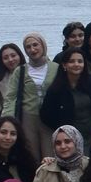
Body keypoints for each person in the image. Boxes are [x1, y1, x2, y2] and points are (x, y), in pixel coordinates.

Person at [39, 47, 91, 152]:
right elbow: (45, 115)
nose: (76, 64)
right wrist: (62, 130)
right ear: (64, 65)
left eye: (80, 61)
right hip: (70, 139)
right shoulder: (56, 89)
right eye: (72, 61)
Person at [20, 31, 55, 160]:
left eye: (35, 45)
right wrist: (7, 122)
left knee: (51, 156)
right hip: (28, 118)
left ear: (43, 45)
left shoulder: (55, 68)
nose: (32, 49)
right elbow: (11, 98)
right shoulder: (21, 70)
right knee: (31, 157)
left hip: (49, 118)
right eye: (28, 47)